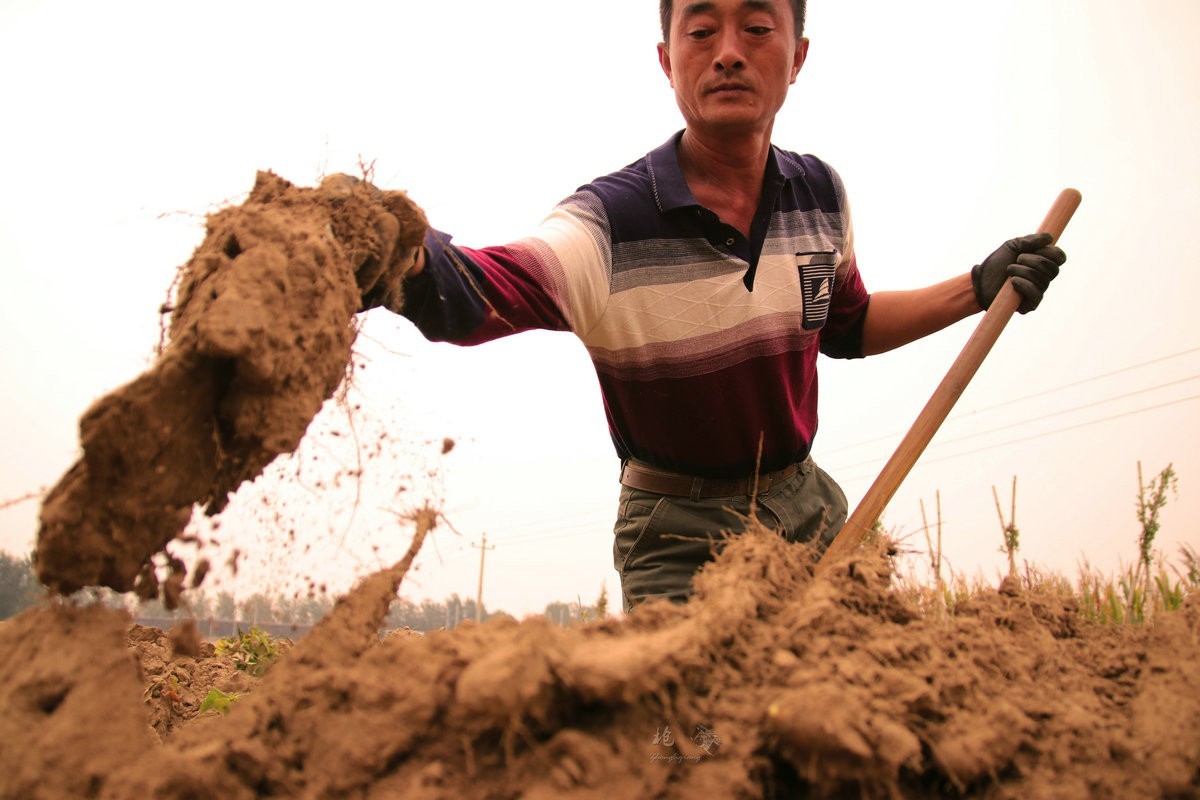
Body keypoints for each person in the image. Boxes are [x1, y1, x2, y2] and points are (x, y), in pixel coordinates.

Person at [356, 0, 1066, 612]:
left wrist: (976, 286)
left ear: (797, 57)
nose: (728, 53)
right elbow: (485, 289)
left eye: (757, 27)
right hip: (677, 531)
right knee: (694, 747)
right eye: (702, 32)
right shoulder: (610, 223)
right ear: (667, 60)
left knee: (853, 722)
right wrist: (401, 256)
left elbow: (844, 325)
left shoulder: (819, 196)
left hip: (807, 508)